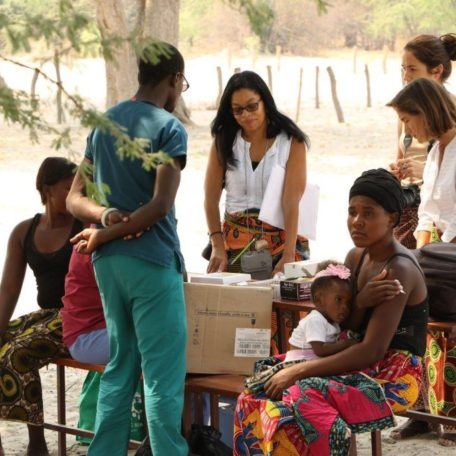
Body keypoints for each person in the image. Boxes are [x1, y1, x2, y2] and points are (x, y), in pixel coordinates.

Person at [234, 169, 428, 455]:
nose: (356, 222)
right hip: (348, 354)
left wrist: (299, 371)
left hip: (393, 372)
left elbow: (373, 350)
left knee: (298, 398)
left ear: (392, 219)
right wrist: (360, 301)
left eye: (368, 213)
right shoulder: (356, 256)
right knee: (258, 388)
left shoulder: (398, 269)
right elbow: (344, 322)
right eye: (352, 212)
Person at [66, 42, 189, 456]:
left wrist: (104, 220)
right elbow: (159, 205)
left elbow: (74, 197)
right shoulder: (169, 128)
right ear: (174, 79)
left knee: (119, 367)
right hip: (152, 264)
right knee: (161, 377)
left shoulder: (104, 123)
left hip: (108, 266)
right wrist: (111, 230)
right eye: (182, 83)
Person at [387, 78, 456, 445]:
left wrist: (419, 258)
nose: (408, 131)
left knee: (401, 267)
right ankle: (421, 412)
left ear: (427, 113)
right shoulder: (434, 153)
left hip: (451, 259)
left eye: (409, 121)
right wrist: (412, 259)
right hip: (439, 259)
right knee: (398, 284)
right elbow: (427, 218)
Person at [0, 157, 80, 456]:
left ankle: (37, 443)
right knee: (3, 341)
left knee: (18, 353)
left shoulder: (83, 226)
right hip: (44, 317)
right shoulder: (24, 232)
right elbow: (8, 289)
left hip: (75, 318)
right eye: (67, 188)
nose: (74, 196)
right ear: (47, 189)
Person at [204, 70, 310, 277]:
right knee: (235, 307)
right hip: (232, 247)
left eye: (252, 106)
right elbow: (210, 199)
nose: (246, 115)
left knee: (281, 305)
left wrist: (289, 254)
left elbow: (291, 201)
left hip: (282, 245)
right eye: (238, 110)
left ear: (265, 102)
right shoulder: (223, 141)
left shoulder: (291, 141)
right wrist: (217, 244)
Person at [389, 33, 456, 248]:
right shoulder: (437, 151)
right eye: (403, 69)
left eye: (412, 69)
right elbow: (427, 215)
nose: (406, 76)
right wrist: (420, 257)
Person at [284, 263, 356, 362]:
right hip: (299, 362)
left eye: (348, 302)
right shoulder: (315, 320)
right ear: (319, 300)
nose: (345, 307)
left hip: (314, 361)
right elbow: (320, 350)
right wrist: (347, 344)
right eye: (339, 299)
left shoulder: (332, 321)